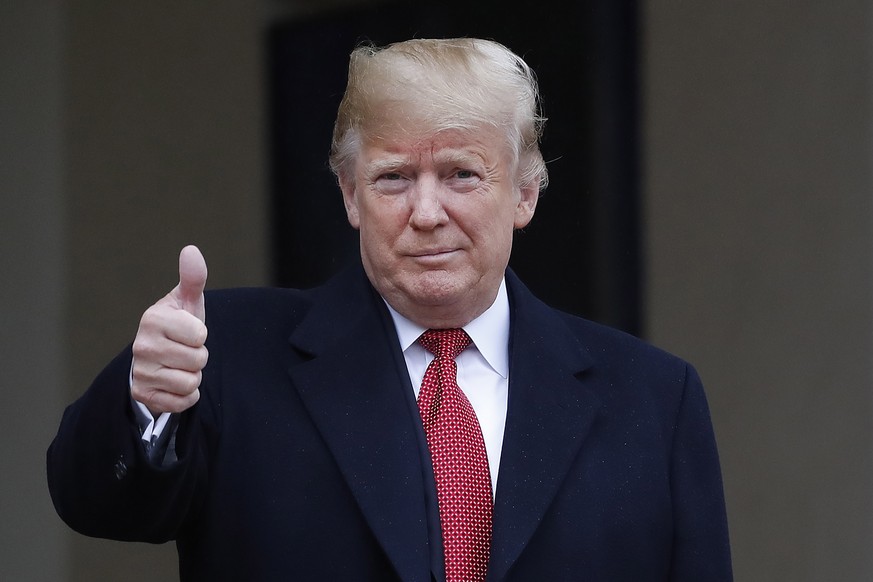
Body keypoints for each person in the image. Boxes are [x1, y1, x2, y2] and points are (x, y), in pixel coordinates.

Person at [47, 38, 732, 581]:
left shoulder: (653, 397)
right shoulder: (229, 352)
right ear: (350, 196)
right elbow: (95, 504)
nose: (426, 213)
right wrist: (145, 403)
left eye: (461, 174)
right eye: (393, 178)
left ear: (524, 192)